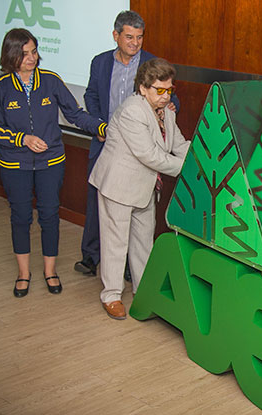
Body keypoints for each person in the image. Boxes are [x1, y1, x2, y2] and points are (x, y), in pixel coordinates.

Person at [0, 28, 107, 298]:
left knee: (50, 215)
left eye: (34, 51)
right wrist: (22, 139)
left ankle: (50, 271)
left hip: (51, 162)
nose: (32, 58)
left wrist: (101, 127)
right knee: (21, 217)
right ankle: (23, 273)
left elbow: (75, 114)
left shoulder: (51, 81)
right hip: (15, 164)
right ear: (11, 56)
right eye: (24, 54)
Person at [75, 10, 180, 278]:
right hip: (108, 142)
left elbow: (170, 101)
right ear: (116, 35)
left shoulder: (151, 65)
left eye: (139, 37)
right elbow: (91, 95)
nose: (135, 42)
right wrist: (100, 125)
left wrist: (168, 106)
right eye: (129, 37)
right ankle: (92, 257)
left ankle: (131, 273)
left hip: (141, 150)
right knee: (102, 206)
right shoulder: (100, 62)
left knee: (137, 225)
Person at [89, 58, 189, 320]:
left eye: (170, 90)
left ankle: (143, 291)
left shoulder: (166, 111)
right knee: (116, 243)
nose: (166, 96)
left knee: (144, 242)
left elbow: (179, 144)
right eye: (160, 90)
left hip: (145, 187)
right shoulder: (132, 110)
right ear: (143, 88)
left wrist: (203, 157)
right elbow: (150, 155)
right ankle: (111, 295)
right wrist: (188, 169)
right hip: (118, 186)